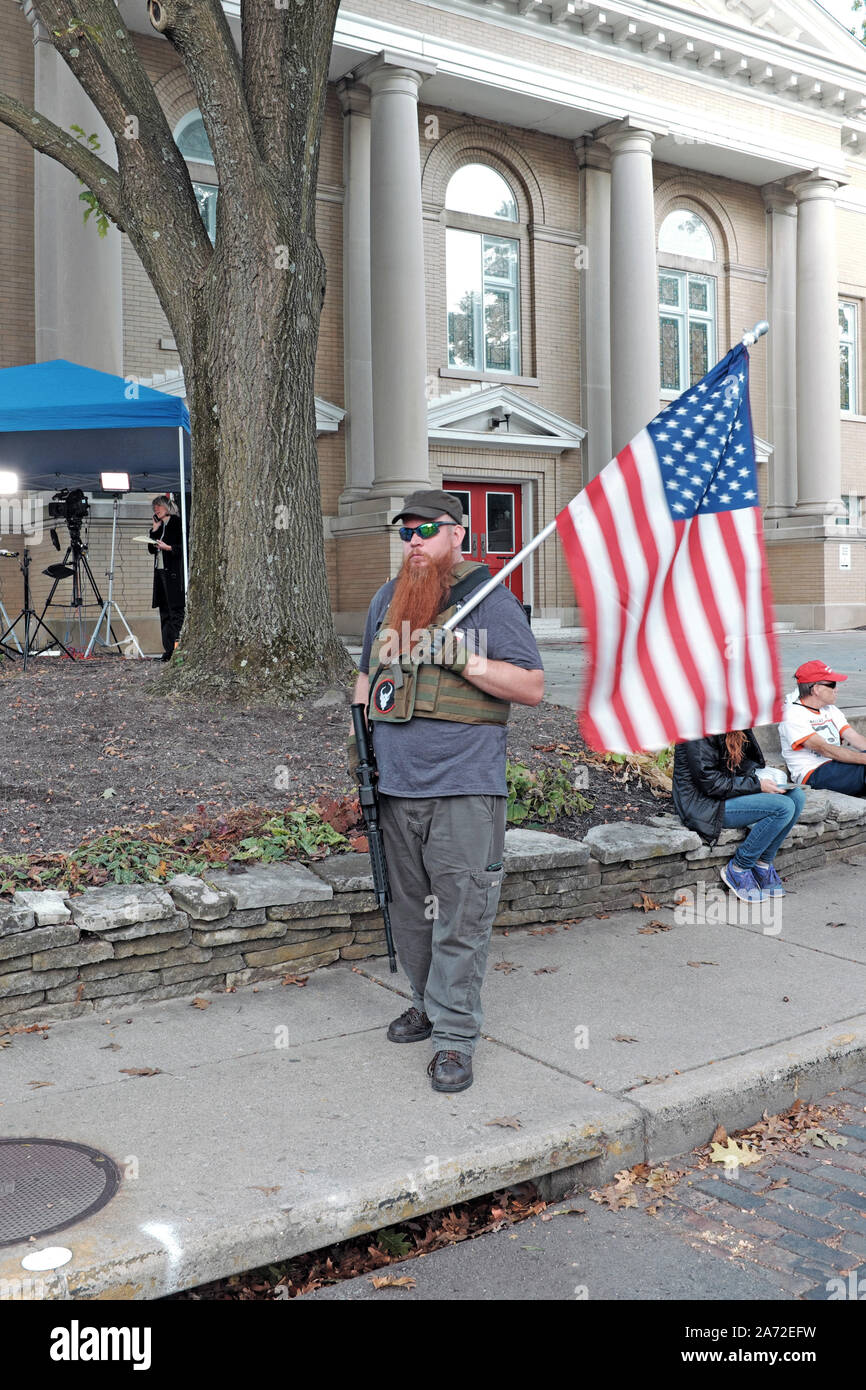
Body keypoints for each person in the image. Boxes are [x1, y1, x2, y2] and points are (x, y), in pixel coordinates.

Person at [351, 489, 544, 1094]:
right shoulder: (387, 599)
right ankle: (426, 1003)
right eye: (405, 531)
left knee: (460, 918)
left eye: (426, 530)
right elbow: (367, 679)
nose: (413, 541)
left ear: (457, 534)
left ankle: (455, 1039)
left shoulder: (490, 601)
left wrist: (463, 659)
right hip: (395, 789)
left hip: (464, 789)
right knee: (410, 915)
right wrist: (362, 759)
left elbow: (532, 686)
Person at [673, 730, 805, 902]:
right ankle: (739, 868)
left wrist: (762, 777)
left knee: (796, 796)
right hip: (704, 805)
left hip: (727, 793)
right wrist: (757, 785)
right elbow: (710, 783)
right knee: (783, 807)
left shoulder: (734, 723)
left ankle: (762, 864)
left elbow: (745, 764)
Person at [779, 660, 866, 796]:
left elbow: (855, 738)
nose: (836, 689)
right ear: (816, 689)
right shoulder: (792, 714)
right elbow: (825, 749)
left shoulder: (830, 709)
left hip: (836, 764)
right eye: (832, 685)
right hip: (814, 773)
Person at [147, 494, 185, 662]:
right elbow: (151, 549)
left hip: (174, 574)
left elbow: (183, 547)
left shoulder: (177, 523)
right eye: (154, 508)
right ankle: (168, 649)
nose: (156, 510)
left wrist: (168, 547)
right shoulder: (159, 526)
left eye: (159, 507)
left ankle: (177, 649)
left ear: (167, 507)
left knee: (175, 612)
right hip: (161, 574)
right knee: (164, 613)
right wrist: (154, 530)